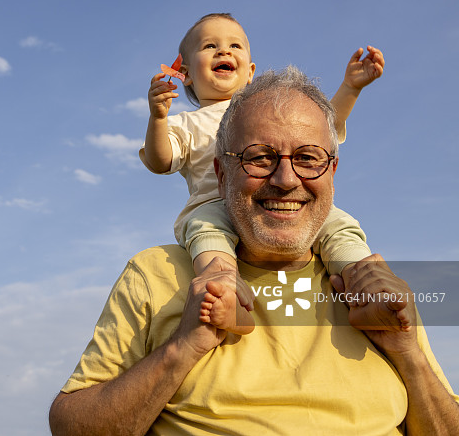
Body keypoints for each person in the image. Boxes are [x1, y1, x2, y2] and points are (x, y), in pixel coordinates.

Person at [49, 67, 459, 435]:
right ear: (220, 172)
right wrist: (182, 348)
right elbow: (71, 425)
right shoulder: (154, 274)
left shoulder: (378, 289)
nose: (285, 179)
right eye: (259, 158)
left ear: (332, 171)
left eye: (308, 158)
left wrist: (407, 354)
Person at [140, 13, 385, 334]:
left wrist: (350, 88)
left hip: (284, 201)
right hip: (216, 206)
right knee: (206, 233)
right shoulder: (187, 123)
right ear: (184, 73)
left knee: (338, 225)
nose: (223, 52)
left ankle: (366, 286)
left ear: (251, 72)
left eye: (234, 45)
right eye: (210, 46)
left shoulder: (269, 112)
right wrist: (158, 118)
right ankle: (224, 292)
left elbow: (320, 127)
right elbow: (161, 161)